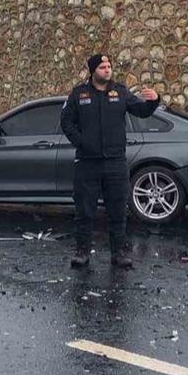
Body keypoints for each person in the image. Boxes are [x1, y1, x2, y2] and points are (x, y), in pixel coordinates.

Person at [59, 54, 159, 269]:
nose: (107, 70)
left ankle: (119, 253)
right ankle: (82, 252)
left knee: (117, 209)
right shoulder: (79, 94)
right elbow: (66, 122)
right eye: (103, 67)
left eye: (109, 66)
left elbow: (141, 111)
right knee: (85, 210)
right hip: (88, 162)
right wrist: (81, 142)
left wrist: (153, 101)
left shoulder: (120, 92)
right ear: (93, 70)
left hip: (115, 162)